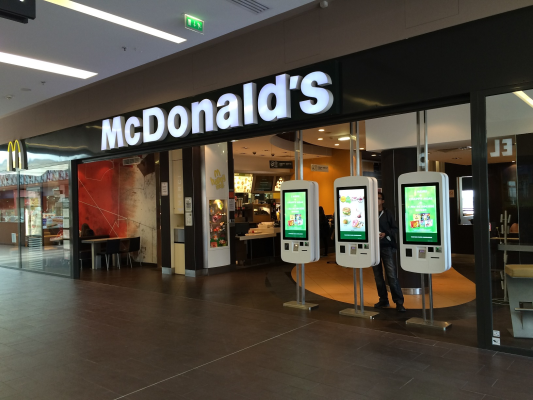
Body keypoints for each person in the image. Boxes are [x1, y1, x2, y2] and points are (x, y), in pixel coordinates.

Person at [372, 192, 406, 312]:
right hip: (374, 248)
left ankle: (399, 302)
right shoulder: (369, 213)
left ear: (383, 201)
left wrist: (385, 233)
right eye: (374, 198)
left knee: (391, 275)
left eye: (379, 198)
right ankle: (383, 299)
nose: (376, 200)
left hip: (386, 246)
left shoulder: (387, 213)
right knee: (378, 276)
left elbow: (395, 228)